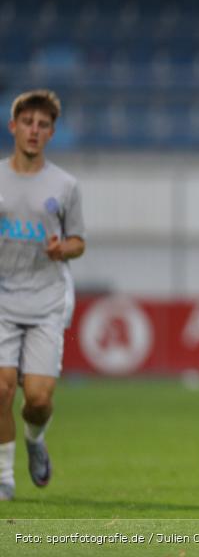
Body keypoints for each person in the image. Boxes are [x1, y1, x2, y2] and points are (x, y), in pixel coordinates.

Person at [0, 89, 85, 501]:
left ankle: (35, 439)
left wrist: (61, 249)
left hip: (47, 298)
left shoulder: (65, 185)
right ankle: (3, 479)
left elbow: (79, 242)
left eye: (44, 125)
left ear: (52, 133)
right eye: (28, 123)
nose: (35, 130)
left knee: (37, 398)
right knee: (0, 389)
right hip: (1, 298)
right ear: (13, 126)